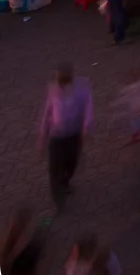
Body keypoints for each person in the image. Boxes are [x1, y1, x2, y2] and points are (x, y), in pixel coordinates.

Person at [39, 63, 91, 212]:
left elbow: (87, 107)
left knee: (72, 163)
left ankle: (65, 181)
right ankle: (59, 202)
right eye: (58, 76)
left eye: (62, 76)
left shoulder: (80, 89)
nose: (59, 79)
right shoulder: (52, 91)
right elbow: (48, 113)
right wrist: (43, 136)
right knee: (55, 170)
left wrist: (86, 127)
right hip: (57, 136)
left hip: (74, 135)